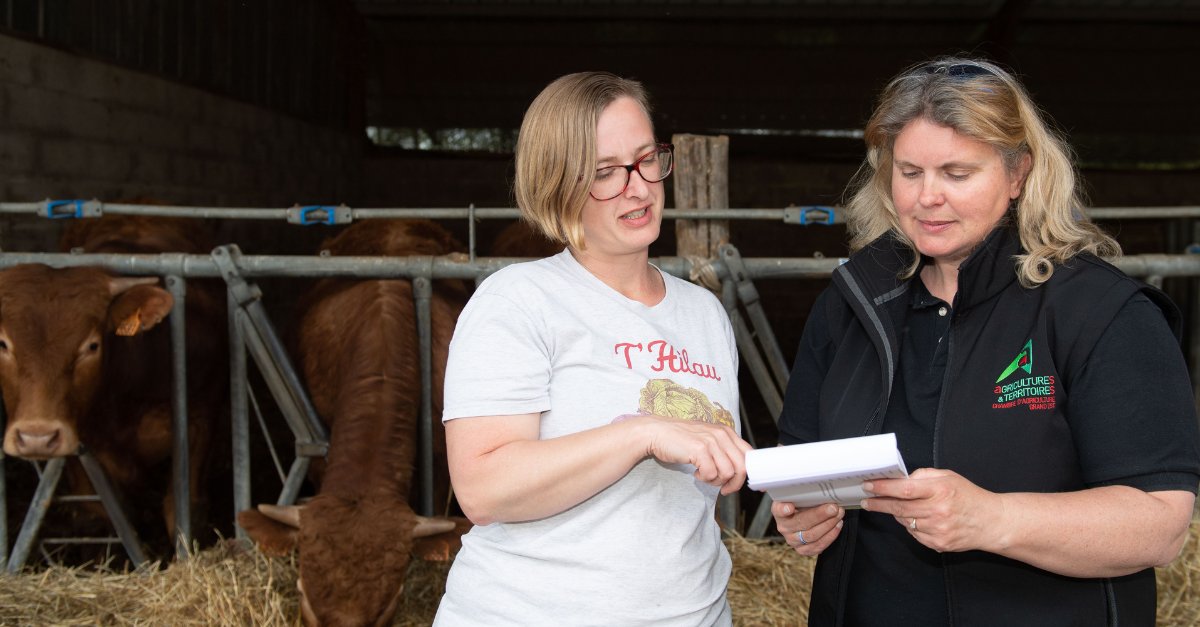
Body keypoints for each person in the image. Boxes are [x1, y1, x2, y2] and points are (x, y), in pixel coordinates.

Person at [772, 56, 1200, 626]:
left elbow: (1159, 523)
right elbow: (798, 468)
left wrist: (992, 519)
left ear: (1018, 173)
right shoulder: (852, 303)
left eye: (957, 173)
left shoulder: (1100, 311)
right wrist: (801, 515)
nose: (927, 197)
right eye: (909, 171)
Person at [433, 71, 752, 626]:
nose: (638, 186)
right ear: (556, 183)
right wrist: (643, 433)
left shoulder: (703, 313)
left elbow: (685, 500)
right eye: (606, 172)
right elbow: (482, 489)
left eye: (647, 158)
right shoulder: (518, 301)